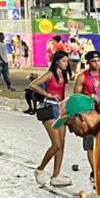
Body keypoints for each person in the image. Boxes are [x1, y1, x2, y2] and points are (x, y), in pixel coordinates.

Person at [28, 51, 73, 187]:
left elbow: (62, 93)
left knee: (62, 145)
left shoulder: (64, 75)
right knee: (56, 145)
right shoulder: (50, 74)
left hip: (60, 109)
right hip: (49, 109)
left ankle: (56, 175)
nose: (66, 63)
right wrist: (48, 94)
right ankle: (40, 169)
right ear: (57, 61)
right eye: (64, 61)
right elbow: (33, 85)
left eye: (67, 61)